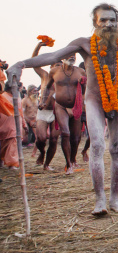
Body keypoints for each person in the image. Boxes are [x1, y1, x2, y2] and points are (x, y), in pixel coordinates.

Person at [7, 3, 118, 215]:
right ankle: (100, 201)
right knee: (98, 145)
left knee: (117, 148)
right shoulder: (84, 44)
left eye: (112, 20)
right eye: (103, 20)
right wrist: (22, 63)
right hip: (95, 101)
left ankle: (115, 200)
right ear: (95, 23)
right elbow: (53, 56)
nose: (108, 24)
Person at [42, 54, 86, 173]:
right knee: (65, 133)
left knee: (76, 138)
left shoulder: (80, 72)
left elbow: (85, 90)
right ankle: (68, 164)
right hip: (61, 106)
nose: (72, 57)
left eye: (74, 55)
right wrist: (42, 100)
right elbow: (47, 87)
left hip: (76, 107)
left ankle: (72, 160)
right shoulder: (54, 71)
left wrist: (82, 104)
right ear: (63, 58)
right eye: (69, 55)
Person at [31, 40, 61, 170]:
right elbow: (34, 62)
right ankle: (42, 153)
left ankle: (47, 164)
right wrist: (38, 47)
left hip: (57, 112)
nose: (58, 68)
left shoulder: (64, 80)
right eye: (56, 65)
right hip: (43, 112)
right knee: (41, 139)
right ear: (51, 67)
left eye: (60, 66)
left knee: (54, 139)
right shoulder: (44, 76)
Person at [0, 81, 27, 169]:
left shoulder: (17, 97)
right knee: (3, 145)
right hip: (4, 123)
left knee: (13, 142)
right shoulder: (2, 96)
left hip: (15, 125)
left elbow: (21, 112)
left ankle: (12, 164)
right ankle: (2, 161)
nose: (19, 89)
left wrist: (24, 124)